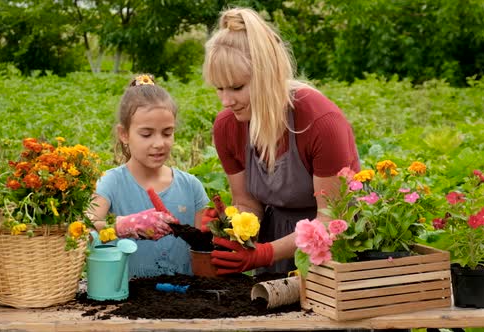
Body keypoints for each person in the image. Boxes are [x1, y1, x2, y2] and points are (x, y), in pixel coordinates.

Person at [203, 7, 360, 275]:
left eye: (237, 87)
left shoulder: (320, 122)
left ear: (268, 75)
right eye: (220, 88)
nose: (227, 101)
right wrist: (232, 222)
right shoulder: (228, 126)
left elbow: (332, 218)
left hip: (331, 251)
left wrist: (265, 253)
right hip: (275, 241)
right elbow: (248, 202)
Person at [88, 74, 209, 278]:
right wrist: (124, 225)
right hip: (128, 299)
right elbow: (83, 228)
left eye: (167, 133)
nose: (159, 143)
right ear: (124, 134)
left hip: (185, 300)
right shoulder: (111, 182)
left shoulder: (191, 187)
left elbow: (205, 248)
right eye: (146, 134)